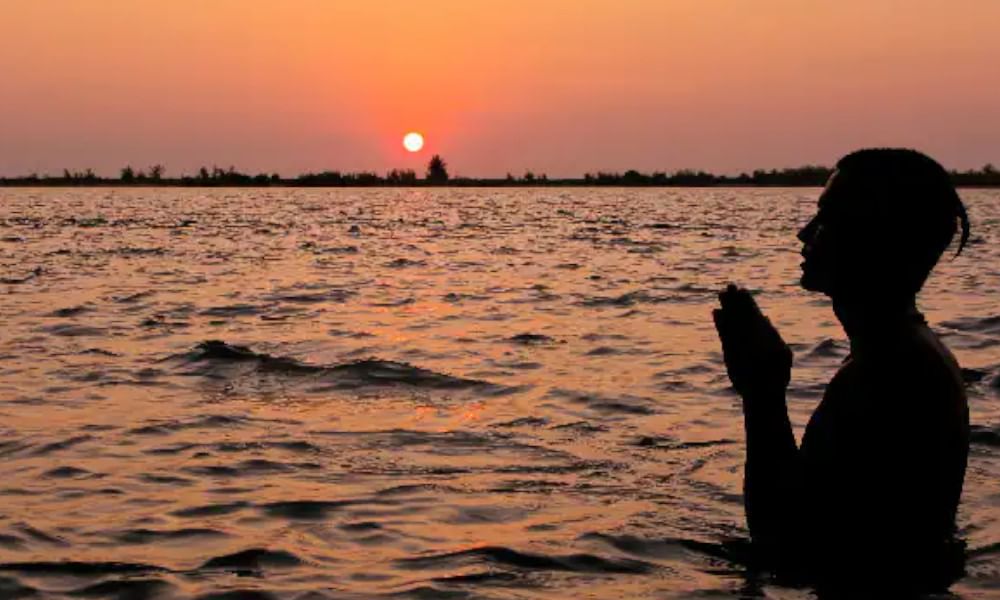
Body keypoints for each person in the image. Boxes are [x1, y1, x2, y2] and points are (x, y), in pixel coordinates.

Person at [713, 148, 971, 593]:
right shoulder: (901, 354)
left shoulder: (889, 375)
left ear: (876, 237)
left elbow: (789, 546)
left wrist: (763, 394)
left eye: (828, 219)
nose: (804, 233)